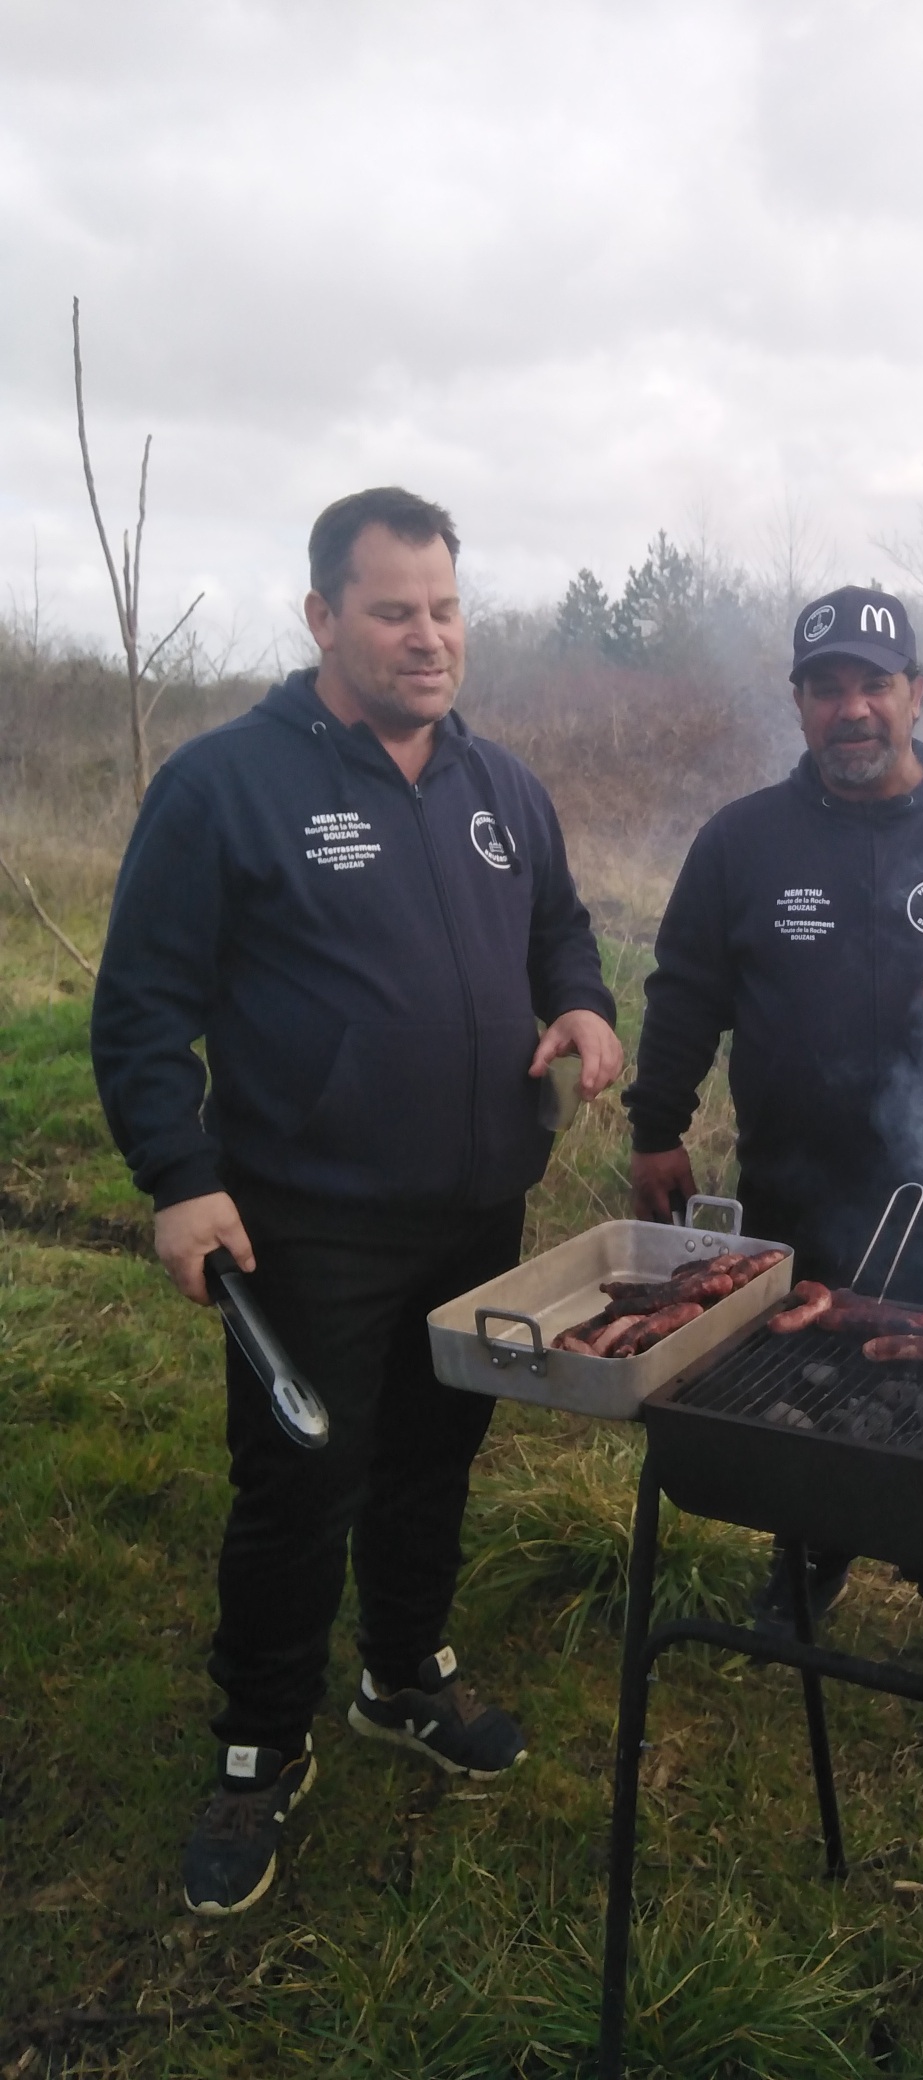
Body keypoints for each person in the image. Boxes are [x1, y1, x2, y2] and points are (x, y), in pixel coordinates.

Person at [91, 487, 623, 1916]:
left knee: (433, 1459)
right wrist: (181, 1182)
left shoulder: (502, 790)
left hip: (474, 1210)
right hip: (305, 1217)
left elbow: (562, 934)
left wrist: (581, 1009)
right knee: (299, 1485)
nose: (428, 636)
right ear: (323, 615)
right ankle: (259, 1747)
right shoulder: (226, 786)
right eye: (394, 610)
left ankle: (403, 1674)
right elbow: (141, 1004)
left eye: (446, 608)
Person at [624, 583, 923, 1701]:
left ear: (916, 694)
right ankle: (806, 1555)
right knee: (799, 1395)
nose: (852, 709)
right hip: (794, 1189)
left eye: (874, 685)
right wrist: (655, 1127)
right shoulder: (744, 841)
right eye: (827, 686)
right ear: (797, 704)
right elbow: (685, 990)